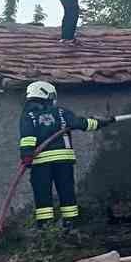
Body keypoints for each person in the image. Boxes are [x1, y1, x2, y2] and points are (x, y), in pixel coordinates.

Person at [18, 81, 116, 231]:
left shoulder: (28, 116)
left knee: (42, 193)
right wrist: (101, 122)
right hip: (64, 161)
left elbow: (27, 137)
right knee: (66, 191)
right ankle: (70, 225)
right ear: (48, 95)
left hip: (41, 162)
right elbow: (81, 123)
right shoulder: (61, 112)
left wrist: (26, 155)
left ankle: (45, 228)